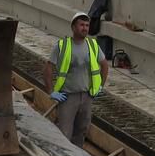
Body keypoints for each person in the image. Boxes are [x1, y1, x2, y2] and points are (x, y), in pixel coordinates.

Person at [43, 11, 109, 147]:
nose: (84, 28)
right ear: (73, 27)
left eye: (87, 25)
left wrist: (100, 86)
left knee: (82, 130)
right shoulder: (62, 46)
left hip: (87, 96)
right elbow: (49, 68)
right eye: (81, 25)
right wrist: (50, 91)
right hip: (67, 97)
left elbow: (104, 65)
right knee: (65, 132)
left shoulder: (93, 46)